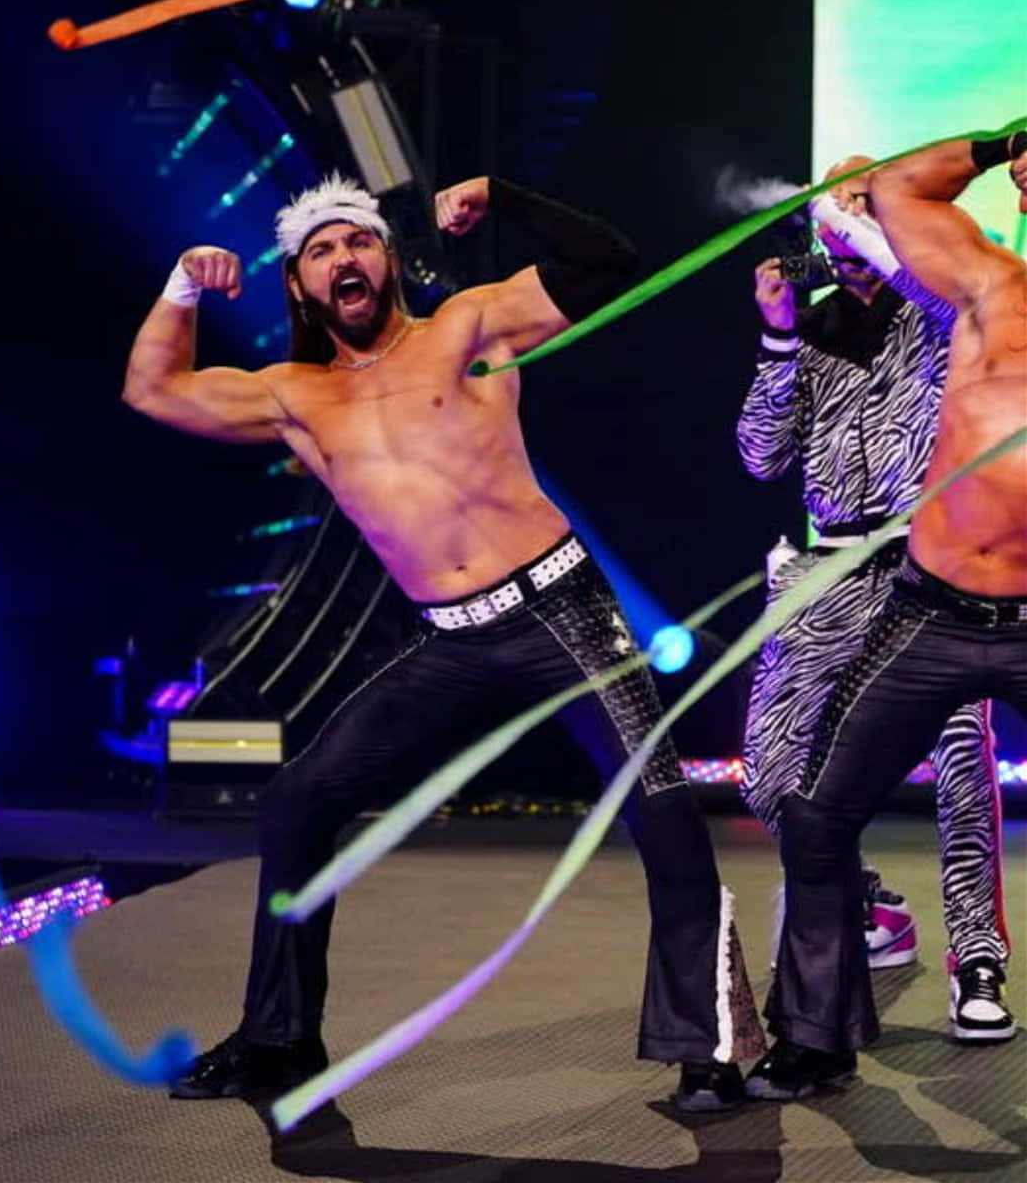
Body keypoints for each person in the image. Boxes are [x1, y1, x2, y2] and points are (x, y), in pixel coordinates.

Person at [123, 172, 765, 1112]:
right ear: (301, 287)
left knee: (663, 813)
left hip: (564, 613)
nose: (344, 258)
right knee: (299, 799)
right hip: (451, 645)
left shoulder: (464, 328)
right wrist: (182, 284)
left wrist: (504, 195)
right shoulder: (291, 395)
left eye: (359, 242)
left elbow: (607, 260)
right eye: (321, 250)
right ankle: (278, 1043)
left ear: (388, 260)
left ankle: (708, 1049)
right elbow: (151, 389)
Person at [747, 128, 1027, 1100]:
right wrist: (782, 333)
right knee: (779, 776)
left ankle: (978, 957)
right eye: (830, 208)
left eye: (858, 204)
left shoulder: (945, 307)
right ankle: (863, 905)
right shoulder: (815, 332)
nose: (842, 221)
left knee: (961, 771)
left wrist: (879, 231)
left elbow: (915, 269)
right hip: (827, 573)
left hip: (926, 573)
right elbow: (758, 457)